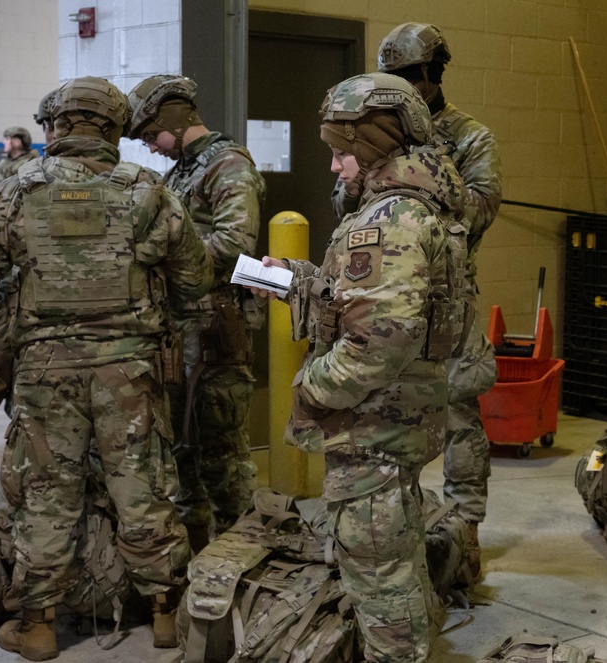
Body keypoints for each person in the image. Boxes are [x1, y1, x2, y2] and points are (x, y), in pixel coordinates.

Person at [0, 76, 213, 660]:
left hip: (43, 371)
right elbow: (194, 279)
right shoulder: (147, 189)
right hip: (129, 371)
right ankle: (167, 613)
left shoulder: (16, 189)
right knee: (143, 486)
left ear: (55, 127)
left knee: (46, 491)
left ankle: (38, 623)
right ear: (114, 130)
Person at [250, 72, 466, 663]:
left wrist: (313, 387)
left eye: (343, 153)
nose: (335, 166)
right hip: (399, 415)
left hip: (375, 422)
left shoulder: (388, 218)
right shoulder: (412, 209)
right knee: (397, 548)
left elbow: (380, 343)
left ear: (373, 146)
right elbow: (374, 307)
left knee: (377, 571)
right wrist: (300, 284)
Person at [372, 22, 502, 577]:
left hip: (447, 301)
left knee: (457, 415)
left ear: (431, 75)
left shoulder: (471, 137)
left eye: (407, 78)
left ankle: (465, 527)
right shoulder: (379, 133)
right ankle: (399, 526)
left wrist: (424, 172)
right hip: (386, 298)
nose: (401, 88)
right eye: (392, 79)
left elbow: (479, 212)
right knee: (387, 413)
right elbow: (346, 201)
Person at [125, 75, 267, 552]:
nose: (151, 146)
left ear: (172, 118)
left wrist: (164, 256)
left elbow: (234, 243)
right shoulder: (180, 171)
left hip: (215, 331)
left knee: (221, 455)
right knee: (183, 452)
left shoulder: (228, 165)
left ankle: (243, 560)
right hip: (181, 332)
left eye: (151, 135)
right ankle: (198, 559)